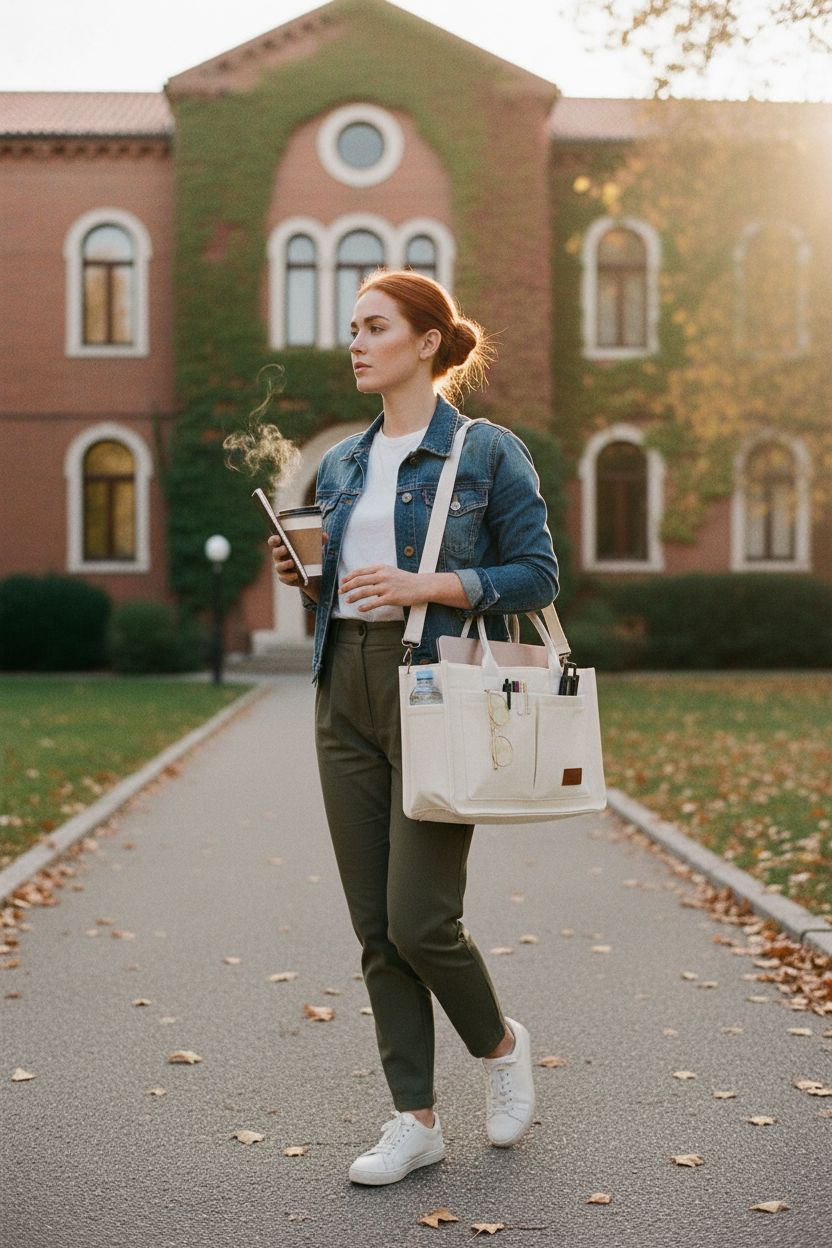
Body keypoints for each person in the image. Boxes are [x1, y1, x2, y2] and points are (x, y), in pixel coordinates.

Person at [269, 269, 559, 1186]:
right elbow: (349, 581)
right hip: (342, 687)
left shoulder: (485, 452)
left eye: (375, 327)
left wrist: (425, 587)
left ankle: (502, 1043)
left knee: (421, 919)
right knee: (373, 925)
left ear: (427, 342)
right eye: (352, 328)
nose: (355, 342)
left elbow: (538, 575)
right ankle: (415, 1119)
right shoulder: (347, 463)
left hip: (438, 691)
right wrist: (307, 579)